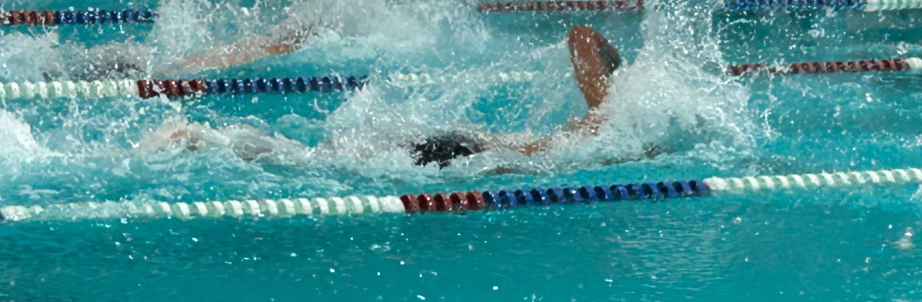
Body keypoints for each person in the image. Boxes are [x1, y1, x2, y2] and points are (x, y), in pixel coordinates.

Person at [140, 26, 627, 168]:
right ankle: (208, 138)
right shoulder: (596, 138)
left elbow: (582, 36)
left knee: (322, 158)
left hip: (456, 143)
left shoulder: (584, 133)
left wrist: (618, 62)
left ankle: (210, 136)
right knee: (316, 162)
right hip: (463, 151)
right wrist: (622, 74)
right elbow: (581, 36)